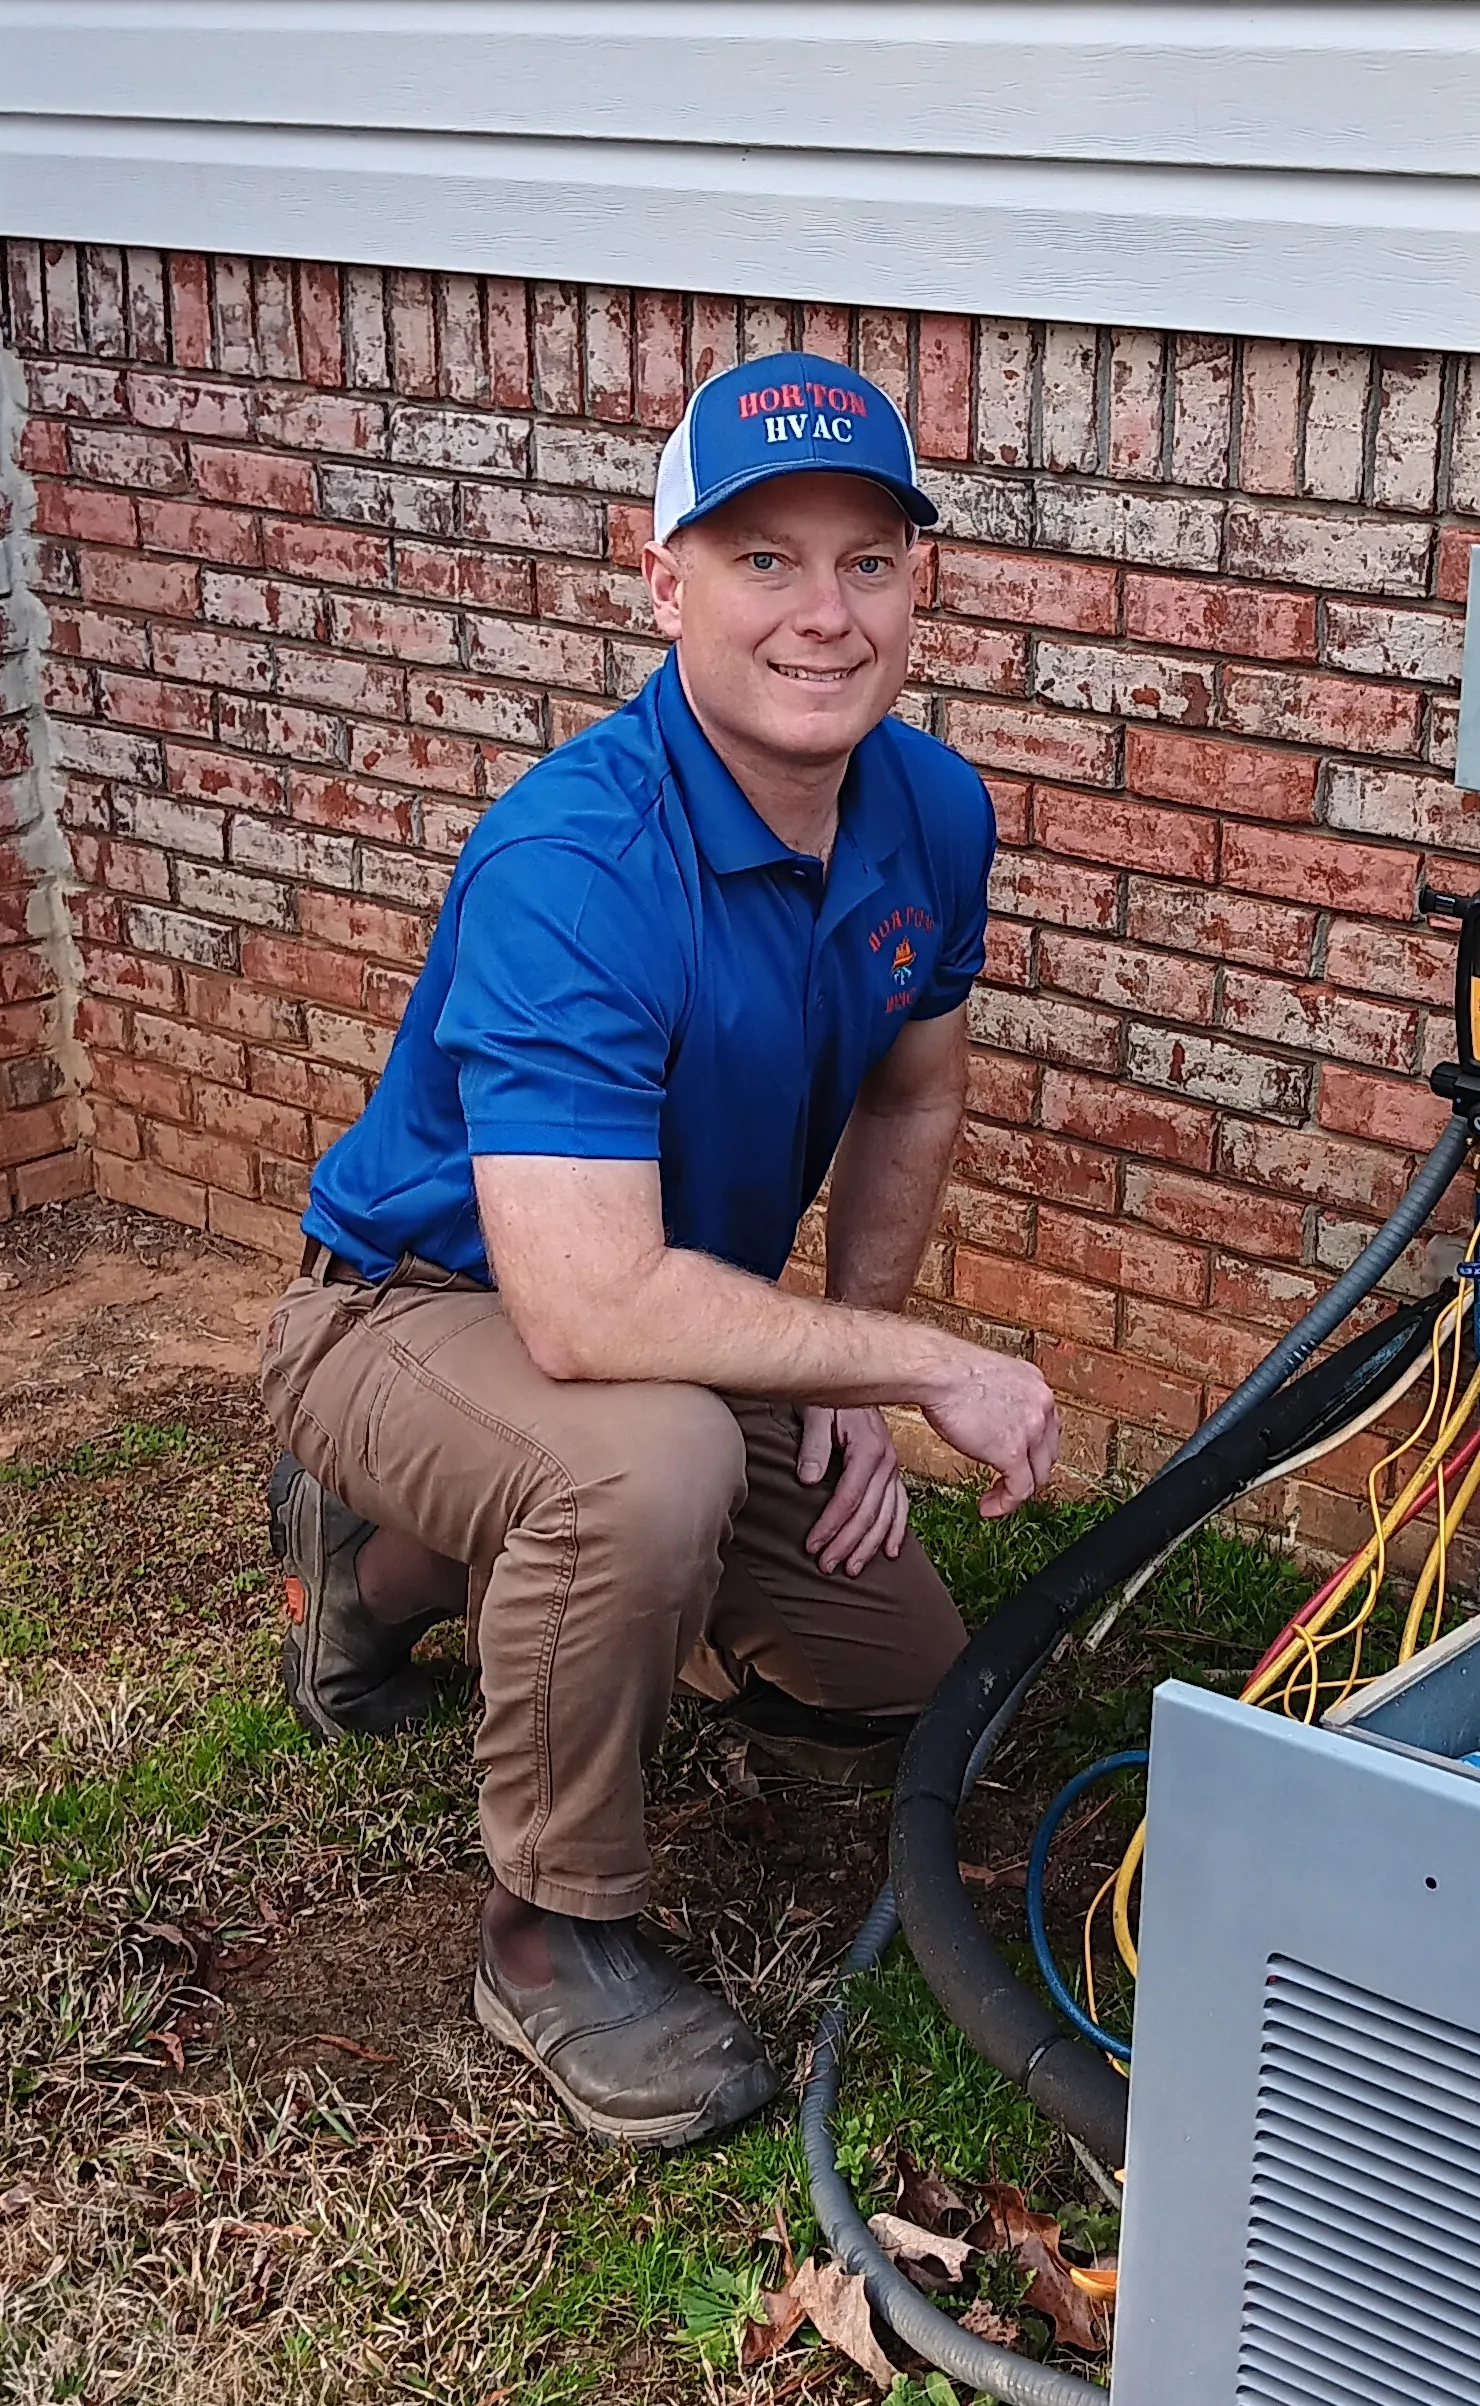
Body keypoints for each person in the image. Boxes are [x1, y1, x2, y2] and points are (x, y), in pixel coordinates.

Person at [257, 350, 1062, 2151]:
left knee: (897, 1671)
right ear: (663, 578)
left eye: (867, 559)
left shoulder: (930, 811)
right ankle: (551, 1933)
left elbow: (913, 1101)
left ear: (918, 584)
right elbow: (585, 1296)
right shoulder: (579, 859)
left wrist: (858, 1349)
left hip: (658, 1318)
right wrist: (926, 1368)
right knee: (651, 1469)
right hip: (409, 1308)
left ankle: (379, 1577)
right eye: (762, 559)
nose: (822, 614)